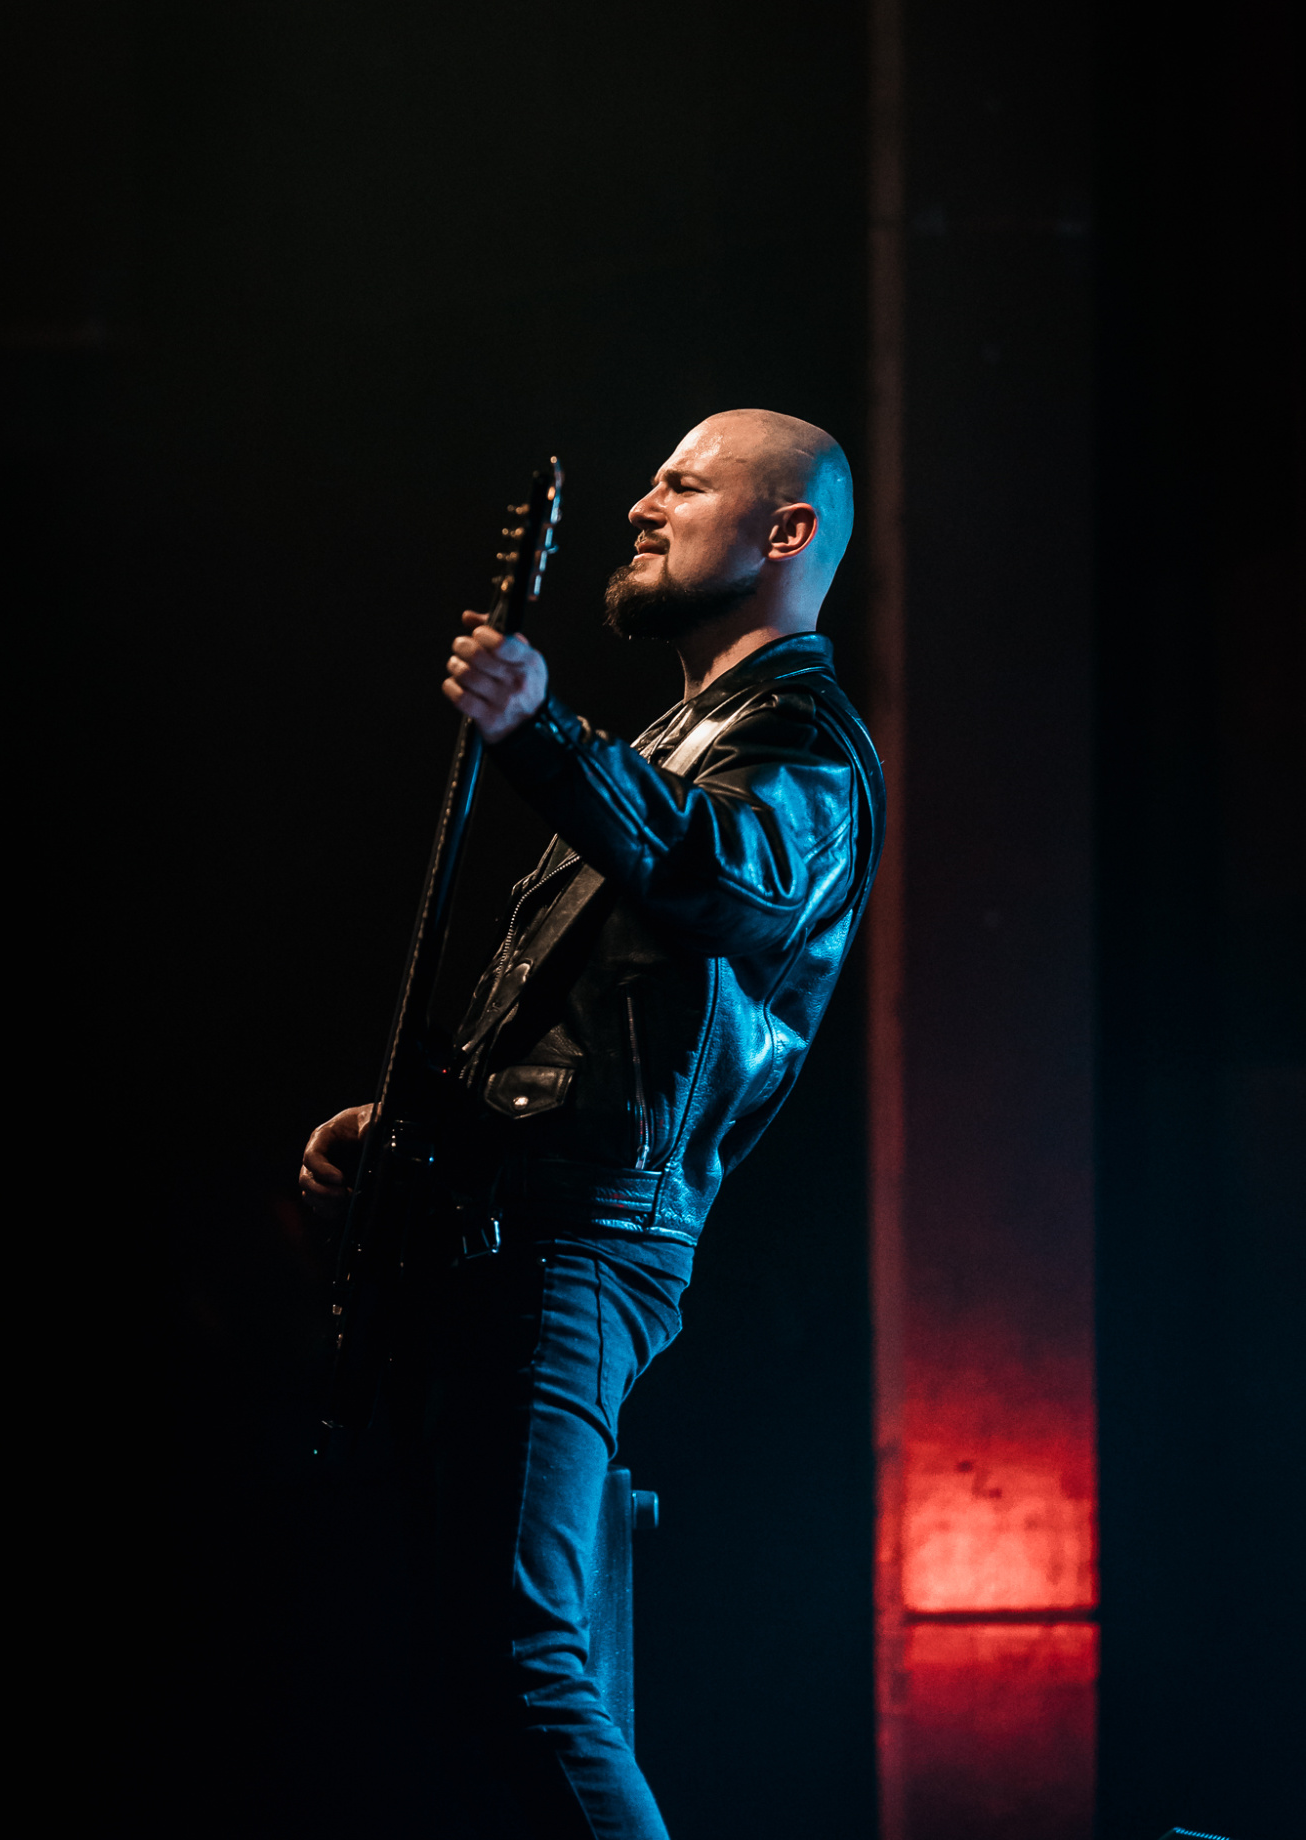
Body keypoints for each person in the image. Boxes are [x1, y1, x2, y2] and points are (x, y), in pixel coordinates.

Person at [299, 409, 885, 1840]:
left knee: (524, 1658)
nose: (641, 505)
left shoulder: (801, 740)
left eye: (683, 485)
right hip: (515, 1230)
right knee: (456, 1668)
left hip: (580, 1243)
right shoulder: (678, 740)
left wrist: (539, 733)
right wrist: (416, 1126)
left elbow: (728, 878)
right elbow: (585, 1022)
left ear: (785, 532)